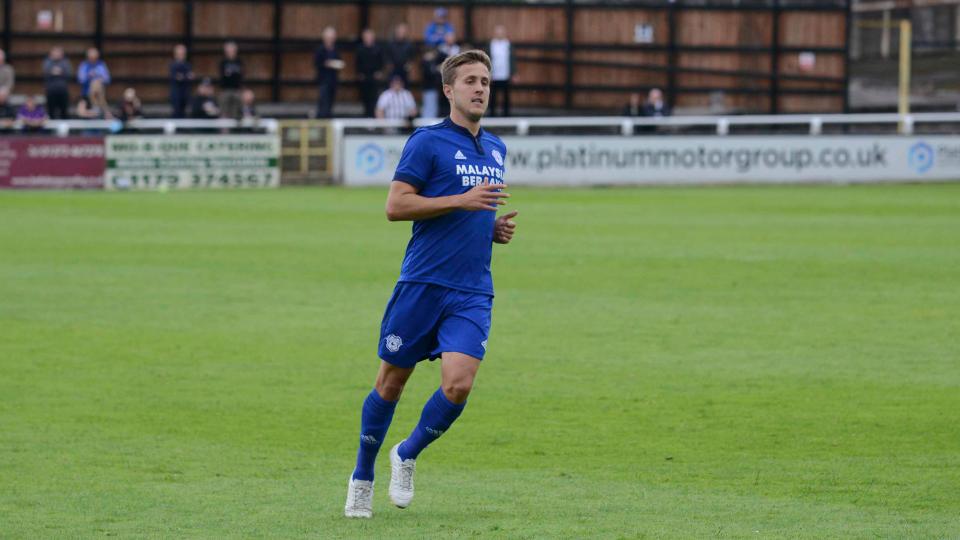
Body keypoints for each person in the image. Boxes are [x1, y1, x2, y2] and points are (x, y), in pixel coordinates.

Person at [343, 50, 519, 519]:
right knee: (391, 382)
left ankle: (407, 453)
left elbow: (468, 214)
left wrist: (491, 229)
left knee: (459, 385)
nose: (480, 88)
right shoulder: (427, 142)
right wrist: (462, 200)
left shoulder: (497, 148)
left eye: (485, 81)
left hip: (472, 289)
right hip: (422, 283)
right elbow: (395, 206)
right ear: (448, 90)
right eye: (470, 82)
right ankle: (362, 474)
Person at [314, 26, 344, 119]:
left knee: (331, 101)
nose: (331, 39)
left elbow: (339, 60)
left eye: (332, 37)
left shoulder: (335, 49)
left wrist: (337, 64)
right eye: (329, 37)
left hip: (333, 79)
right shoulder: (320, 49)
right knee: (323, 101)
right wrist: (326, 63)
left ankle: (328, 118)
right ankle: (321, 119)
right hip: (323, 79)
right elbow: (317, 63)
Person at [356, 28, 385, 118]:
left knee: (374, 98)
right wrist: (359, 73)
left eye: (370, 36)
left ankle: (373, 116)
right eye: (366, 36)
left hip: (374, 76)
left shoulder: (378, 48)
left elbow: (382, 61)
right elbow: (357, 62)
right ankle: (366, 116)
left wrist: (380, 72)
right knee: (365, 98)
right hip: (364, 76)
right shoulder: (360, 49)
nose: (368, 38)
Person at [487, 25, 515, 117]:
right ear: (495, 33)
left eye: (501, 32)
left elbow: (512, 59)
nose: (500, 34)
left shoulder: (508, 44)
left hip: (505, 74)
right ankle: (492, 114)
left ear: (504, 33)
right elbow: (487, 59)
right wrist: (487, 73)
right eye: (498, 32)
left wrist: (513, 73)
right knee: (493, 96)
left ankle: (506, 115)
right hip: (493, 75)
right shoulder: (491, 44)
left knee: (506, 96)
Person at [43, 47, 72, 119]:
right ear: (51, 53)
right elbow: (46, 72)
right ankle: (51, 129)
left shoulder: (65, 62)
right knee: (51, 111)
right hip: (51, 91)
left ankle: (64, 128)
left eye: (58, 52)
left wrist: (60, 72)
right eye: (55, 52)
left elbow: (68, 74)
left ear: (62, 54)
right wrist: (54, 72)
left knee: (64, 111)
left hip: (63, 91)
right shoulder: (47, 62)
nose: (56, 54)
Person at [219, 41, 243, 119]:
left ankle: (235, 130)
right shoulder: (223, 62)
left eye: (232, 49)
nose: (231, 51)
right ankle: (224, 130)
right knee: (224, 110)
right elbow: (224, 75)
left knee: (236, 111)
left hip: (236, 89)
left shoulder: (239, 62)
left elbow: (240, 75)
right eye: (229, 49)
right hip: (226, 89)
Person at [170, 44, 194, 118]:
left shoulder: (187, 65)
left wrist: (184, 77)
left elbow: (190, 76)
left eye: (183, 54)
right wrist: (186, 77)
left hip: (185, 92)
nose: (181, 55)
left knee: (184, 112)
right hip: (176, 93)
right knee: (177, 112)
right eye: (179, 54)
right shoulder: (173, 65)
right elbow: (178, 77)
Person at [419, 49, 442, 118]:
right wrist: (436, 69)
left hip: (433, 88)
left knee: (432, 106)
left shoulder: (432, 63)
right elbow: (429, 73)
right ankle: (427, 121)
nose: (432, 56)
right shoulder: (425, 63)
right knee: (429, 106)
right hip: (428, 88)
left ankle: (430, 120)